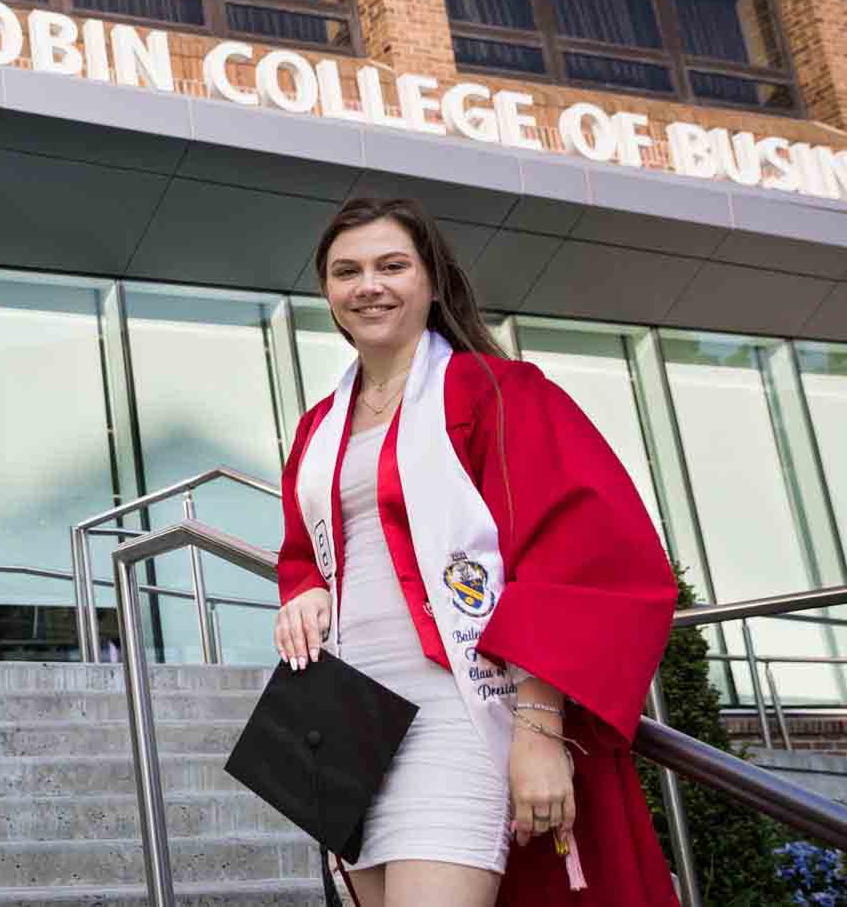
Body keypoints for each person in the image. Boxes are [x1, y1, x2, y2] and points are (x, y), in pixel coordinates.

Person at [273, 197, 679, 907]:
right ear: (327, 293)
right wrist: (303, 585)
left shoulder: (498, 391)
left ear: (433, 280)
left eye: (392, 265)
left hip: (459, 710)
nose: (369, 284)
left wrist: (539, 727)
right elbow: (308, 549)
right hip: (345, 717)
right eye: (347, 271)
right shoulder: (318, 424)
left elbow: (571, 557)